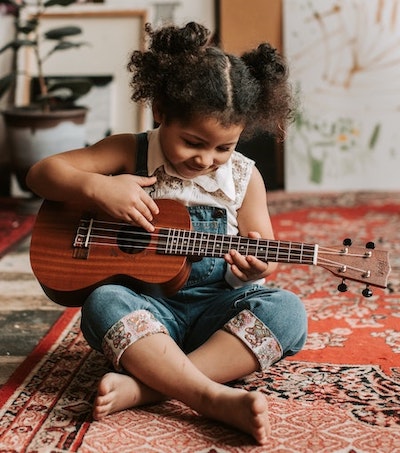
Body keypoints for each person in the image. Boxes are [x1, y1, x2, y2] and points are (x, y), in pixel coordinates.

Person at [26, 22, 307, 445]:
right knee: (102, 303)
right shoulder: (129, 151)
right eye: (193, 141)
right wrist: (98, 186)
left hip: (216, 313)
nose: (205, 159)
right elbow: (41, 173)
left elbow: (259, 247)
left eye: (223, 147)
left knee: (287, 311)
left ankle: (149, 386)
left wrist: (253, 268)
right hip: (146, 313)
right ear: (160, 110)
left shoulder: (244, 178)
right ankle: (210, 395)